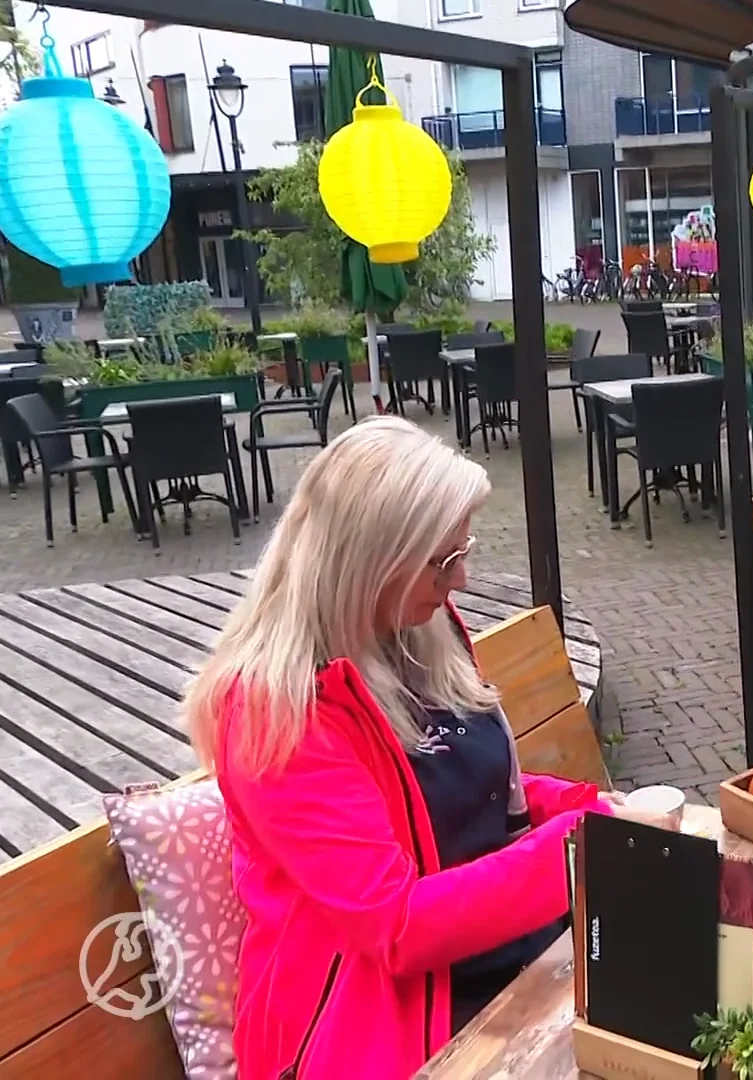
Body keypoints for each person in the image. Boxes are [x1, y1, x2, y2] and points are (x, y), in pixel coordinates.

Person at [186, 417, 614, 1078]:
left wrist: (595, 809)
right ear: (368, 562)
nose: (463, 579)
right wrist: (580, 846)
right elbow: (398, 927)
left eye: (462, 549)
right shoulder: (275, 710)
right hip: (377, 1025)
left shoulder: (417, 628)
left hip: (501, 964)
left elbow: (475, 790)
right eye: (444, 560)